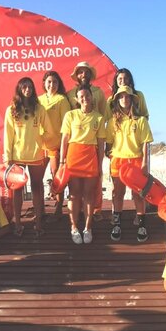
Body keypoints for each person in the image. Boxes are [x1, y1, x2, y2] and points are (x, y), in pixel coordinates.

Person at [60, 84, 106, 244]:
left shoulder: (99, 118)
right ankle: (73, 227)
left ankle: (88, 227)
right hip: (73, 156)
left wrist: (100, 165)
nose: (85, 99)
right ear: (77, 99)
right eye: (81, 97)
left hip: (90, 157)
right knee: (74, 194)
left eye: (87, 96)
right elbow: (64, 140)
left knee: (89, 195)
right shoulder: (70, 115)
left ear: (92, 97)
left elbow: (101, 144)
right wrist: (61, 161)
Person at [106, 87, 153, 242]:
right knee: (117, 194)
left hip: (136, 160)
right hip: (118, 161)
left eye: (127, 96)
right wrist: (110, 154)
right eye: (121, 97)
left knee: (138, 195)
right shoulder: (113, 121)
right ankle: (117, 224)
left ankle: (142, 225)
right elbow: (109, 143)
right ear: (117, 100)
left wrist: (145, 163)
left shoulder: (141, 120)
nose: (124, 99)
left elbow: (146, 143)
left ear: (132, 99)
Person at [3, 77, 48, 236]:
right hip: (18, 156)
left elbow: (47, 130)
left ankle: (38, 224)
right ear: (19, 89)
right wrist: (8, 157)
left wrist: (41, 142)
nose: (27, 90)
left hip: (36, 155)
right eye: (24, 87)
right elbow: (8, 135)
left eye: (30, 87)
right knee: (17, 191)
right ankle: (18, 224)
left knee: (37, 188)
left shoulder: (39, 108)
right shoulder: (11, 110)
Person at [39, 70, 72, 221]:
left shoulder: (62, 100)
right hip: (40, 146)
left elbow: (67, 124)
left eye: (55, 82)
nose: (52, 85)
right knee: (37, 179)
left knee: (57, 178)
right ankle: (40, 209)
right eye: (49, 82)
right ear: (44, 83)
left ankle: (58, 209)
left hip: (55, 145)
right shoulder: (38, 100)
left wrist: (64, 147)